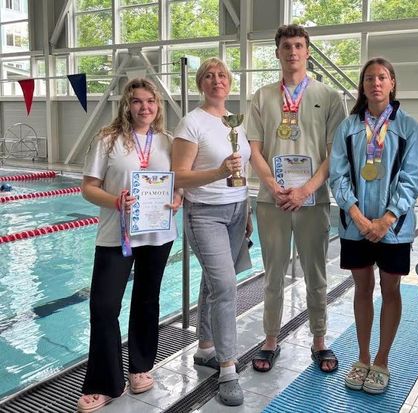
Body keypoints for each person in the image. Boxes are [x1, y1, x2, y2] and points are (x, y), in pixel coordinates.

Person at [247, 24, 345, 373]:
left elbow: (334, 154)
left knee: (315, 274)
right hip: (271, 200)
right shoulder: (262, 96)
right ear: (277, 52)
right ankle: (270, 339)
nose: (292, 52)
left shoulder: (329, 97)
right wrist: (274, 186)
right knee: (272, 275)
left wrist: (306, 190)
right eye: (286, 46)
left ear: (307, 51)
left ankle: (319, 340)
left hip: (313, 201)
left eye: (299, 45)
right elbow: (254, 150)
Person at [78, 78, 180, 413]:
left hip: (157, 235)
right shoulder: (108, 140)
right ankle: (105, 383)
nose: (144, 107)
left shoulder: (167, 141)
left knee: (147, 301)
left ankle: (140, 367)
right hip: (115, 235)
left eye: (150, 101)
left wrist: (178, 196)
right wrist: (115, 201)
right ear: (127, 105)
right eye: (137, 101)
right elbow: (88, 188)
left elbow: (178, 182)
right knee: (104, 307)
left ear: (157, 105)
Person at [329, 57, 418, 394]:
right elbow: (338, 175)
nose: (375, 83)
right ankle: (362, 357)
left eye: (382, 77)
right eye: (369, 78)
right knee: (362, 288)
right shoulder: (348, 127)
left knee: (390, 289)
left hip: (393, 228)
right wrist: (357, 216)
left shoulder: (409, 128)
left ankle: (382, 361)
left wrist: (387, 218)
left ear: (392, 83)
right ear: (363, 86)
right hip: (354, 225)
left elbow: (413, 179)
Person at [172, 57, 251, 407]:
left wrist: (246, 208)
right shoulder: (191, 123)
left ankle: (205, 348)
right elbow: (178, 175)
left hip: (236, 210)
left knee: (213, 282)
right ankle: (228, 369)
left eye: (221, 75)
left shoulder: (234, 120)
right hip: (204, 212)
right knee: (225, 286)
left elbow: (241, 168)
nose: (216, 80)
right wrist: (218, 173)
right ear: (200, 84)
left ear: (229, 82)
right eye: (208, 76)